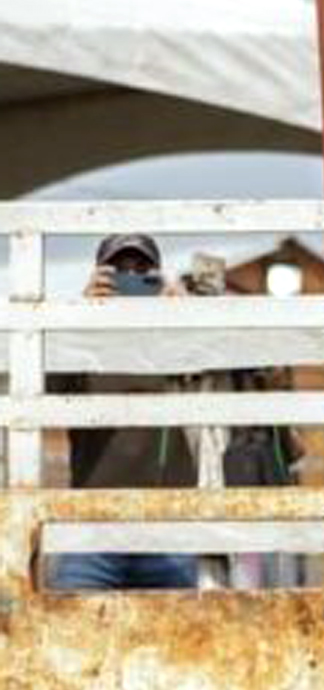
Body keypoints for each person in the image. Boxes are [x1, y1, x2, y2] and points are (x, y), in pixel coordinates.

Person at [43, 234, 198, 591]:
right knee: (76, 635)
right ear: (99, 277)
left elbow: (219, 376)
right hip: (92, 522)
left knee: (176, 640)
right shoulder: (81, 345)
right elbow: (48, 396)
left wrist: (190, 318)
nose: (131, 276)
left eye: (142, 270)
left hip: (168, 522)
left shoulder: (178, 340)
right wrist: (80, 318)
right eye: (119, 270)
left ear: (158, 278)